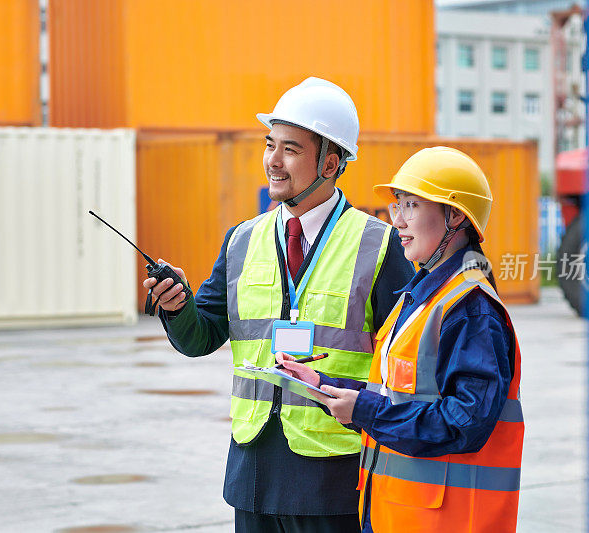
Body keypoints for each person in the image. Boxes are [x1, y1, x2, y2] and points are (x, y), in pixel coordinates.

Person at [144, 77, 415, 532]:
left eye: (290, 149)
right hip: (253, 472)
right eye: (270, 144)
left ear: (330, 163)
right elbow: (201, 337)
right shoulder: (241, 240)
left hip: (334, 475)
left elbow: (404, 363)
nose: (272, 160)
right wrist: (178, 307)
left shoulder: (381, 245)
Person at [277, 146, 524, 533]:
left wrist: (365, 412)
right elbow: (398, 394)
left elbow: (465, 423)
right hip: (402, 516)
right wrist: (326, 387)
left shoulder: (470, 309)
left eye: (411, 205)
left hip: (448, 521)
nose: (398, 222)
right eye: (397, 206)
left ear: (455, 215)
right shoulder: (420, 298)